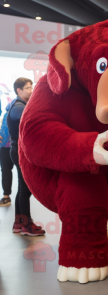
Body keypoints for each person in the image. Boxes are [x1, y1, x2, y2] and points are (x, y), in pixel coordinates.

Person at [7, 78, 45, 236]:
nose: (31, 90)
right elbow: (35, 118)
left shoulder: (19, 105)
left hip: (19, 150)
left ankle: (18, 223)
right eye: (28, 88)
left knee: (23, 188)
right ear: (19, 90)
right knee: (25, 189)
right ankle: (27, 225)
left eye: (31, 87)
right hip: (19, 151)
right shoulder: (18, 107)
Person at [0, 102, 15, 206]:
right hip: (5, 146)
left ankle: (24, 195)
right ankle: (6, 196)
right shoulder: (5, 114)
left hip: (16, 146)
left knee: (6, 170)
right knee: (5, 170)